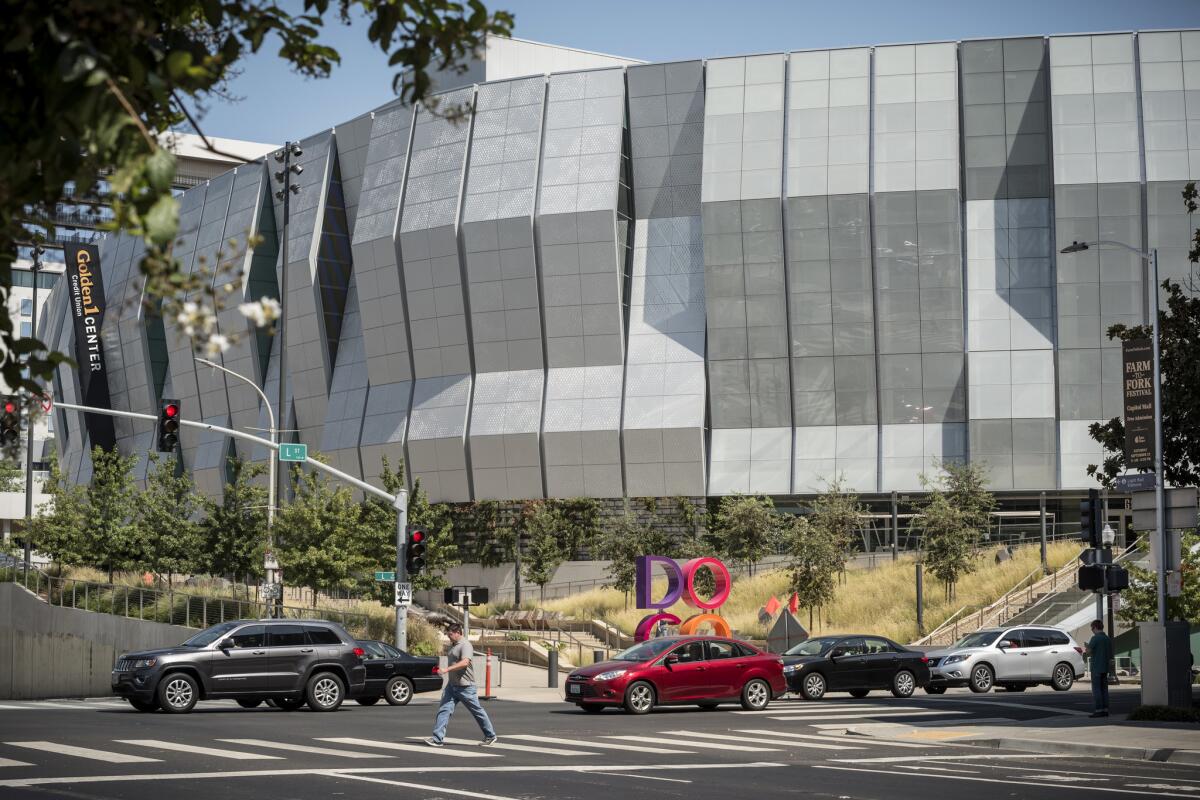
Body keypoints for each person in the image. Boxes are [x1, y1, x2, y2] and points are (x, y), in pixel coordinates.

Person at [425, 623, 497, 747]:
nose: (449, 637)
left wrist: (447, 670)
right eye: (448, 635)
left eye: (451, 635)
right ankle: (437, 739)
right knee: (444, 710)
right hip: (452, 686)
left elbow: (465, 662)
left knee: (476, 711)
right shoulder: (453, 645)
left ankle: (490, 735)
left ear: (458, 632)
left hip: (466, 686)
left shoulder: (465, 645)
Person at [1084, 619, 1112, 718]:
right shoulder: (1107, 639)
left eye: (1092, 628)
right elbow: (1110, 654)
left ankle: (1098, 710)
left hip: (1096, 667)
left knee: (1097, 690)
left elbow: (1088, 651)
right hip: (1105, 667)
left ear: (1095, 627)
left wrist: (1086, 647)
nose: (1092, 630)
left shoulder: (1095, 638)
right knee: (1104, 689)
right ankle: (1105, 710)